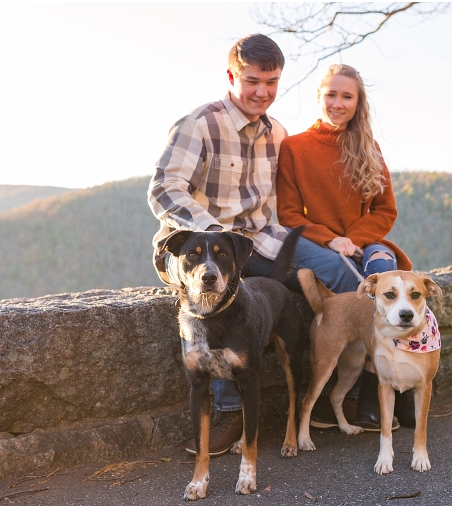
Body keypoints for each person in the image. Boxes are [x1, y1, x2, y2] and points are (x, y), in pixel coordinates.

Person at [147, 34, 289, 456]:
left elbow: (274, 207)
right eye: (252, 81)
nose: (262, 92)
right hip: (188, 247)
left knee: (319, 271)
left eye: (272, 82)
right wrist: (213, 235)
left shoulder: (277, 133)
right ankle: (229, 410)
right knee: (232, 290)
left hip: (253, 241)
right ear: (231, 76)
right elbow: (164, 190)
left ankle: (351, 395)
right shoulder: (200, 123)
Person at [276, 63, 416, 430]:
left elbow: (386, 210)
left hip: (363, 239)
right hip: (317, 240)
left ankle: (380, 389)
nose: (338, 103)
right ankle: (374, 394)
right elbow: (289, 213)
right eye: (331, 94)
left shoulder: (368, 146)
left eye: (346, 96)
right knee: (348, 276)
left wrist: (355, 237)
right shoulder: (295, 148)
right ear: (320, 96)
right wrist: (332, 239)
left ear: (358, 102)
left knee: (386, 273)